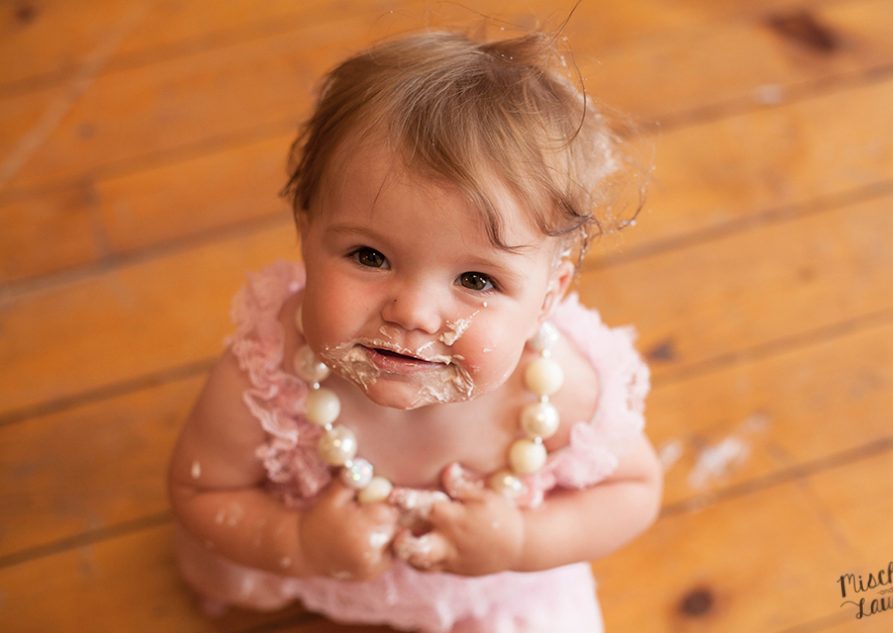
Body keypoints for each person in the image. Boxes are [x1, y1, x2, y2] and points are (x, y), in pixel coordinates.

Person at [168, 27, 661, 633]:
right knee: (223, 568)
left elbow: (634, 491)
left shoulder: (560, 389)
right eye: (370, 256)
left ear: (546, 299)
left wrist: (520, 541)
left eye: (477, 280)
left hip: (489, 580)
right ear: (306, 232)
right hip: (316, 553)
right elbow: (201, 492)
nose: (413, 313)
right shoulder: (268, 373)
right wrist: (297, 541)